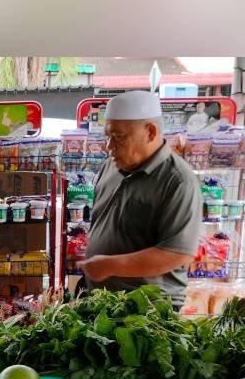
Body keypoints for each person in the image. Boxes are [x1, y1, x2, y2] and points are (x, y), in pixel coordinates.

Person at [78, 90, 201, 309]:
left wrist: (110, 266)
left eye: (119, 137)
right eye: (108, 136)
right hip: (104, 302)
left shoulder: (178, 181)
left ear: (151, 132)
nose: (109, 146)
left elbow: (177, 253)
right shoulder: (111, 166)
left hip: (148, 313)